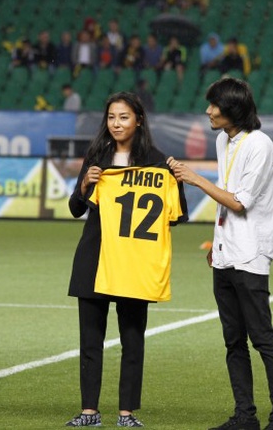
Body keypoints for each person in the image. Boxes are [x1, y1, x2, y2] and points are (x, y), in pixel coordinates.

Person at [166, 77, 273, 430]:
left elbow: (239, 202)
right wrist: (218, 242)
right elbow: (228, 194)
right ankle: (244, 417)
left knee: (263, 339)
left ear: (233, 110)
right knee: (233, 341)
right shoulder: (224, 139)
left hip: (251, 255)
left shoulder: (260, 145)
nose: (208, 111)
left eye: (214, 105)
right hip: (225, 254)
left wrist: (195, 178)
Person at [66, 92, 187, 428]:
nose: (116, 124)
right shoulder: (97, 157)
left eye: (123, 117)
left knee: (133, 340)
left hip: (135, 262)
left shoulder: (158, 162)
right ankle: (88, 411)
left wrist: (178, 181)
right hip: (95, 258)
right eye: (111, 117)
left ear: (139, 120)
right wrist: (85, 185)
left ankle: (127, 413)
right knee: (90, 340)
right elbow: (75, 208)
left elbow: (176, 215)